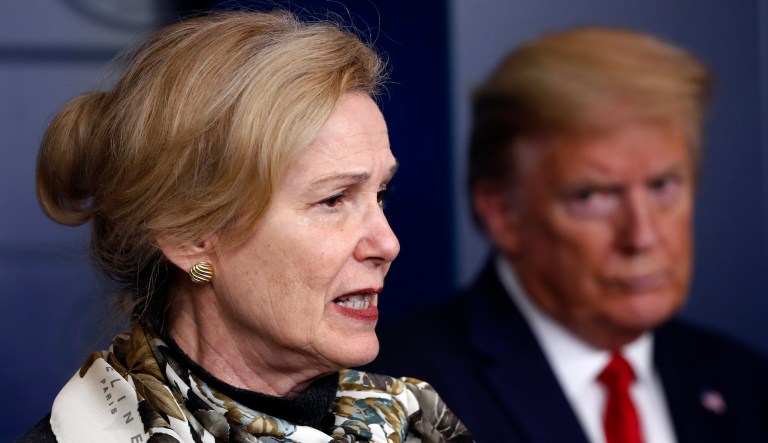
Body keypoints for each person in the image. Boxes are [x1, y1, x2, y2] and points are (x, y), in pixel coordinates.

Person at [16, 10, 473, 443]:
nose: (387, 243)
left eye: (380, 195)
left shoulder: (418, 422)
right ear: (190, 237)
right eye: (333, 199)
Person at [368, 26, 768, 442]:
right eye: (593, 196)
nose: (643, 237)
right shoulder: (398, 398)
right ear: (503, 213)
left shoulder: (746, 384)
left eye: (663, 186)